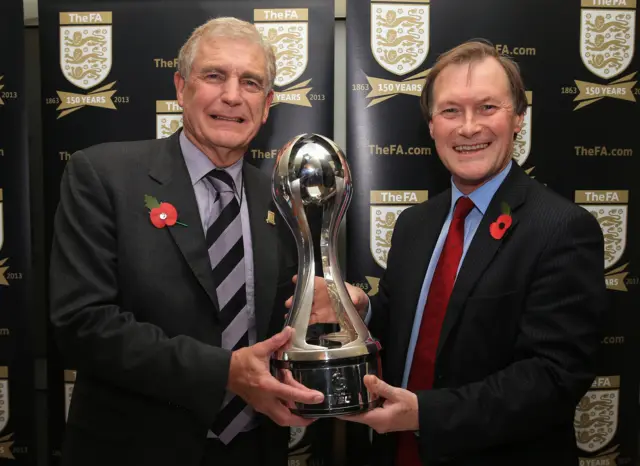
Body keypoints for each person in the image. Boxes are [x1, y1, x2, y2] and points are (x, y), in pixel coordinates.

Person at [298, 41, 606, 465]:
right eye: (450, 111)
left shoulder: (562, 229)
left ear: (519, 118)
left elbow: (553, 378)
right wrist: (361, 308)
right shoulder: (415, 224)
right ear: (431, 125)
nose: (467, 128)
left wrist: (425, 414)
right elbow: (414, 327)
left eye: (487, 108)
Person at [49, 17, 324, 466]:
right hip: (134, 449)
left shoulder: (286, 198)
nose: (232, 96)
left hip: (254, 450)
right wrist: (224, 373)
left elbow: (285, 325)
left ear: (268, 103)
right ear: (181, 88)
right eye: (214, 75)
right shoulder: (102, 175)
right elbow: (82, 325)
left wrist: (337, 306)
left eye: (251, 83)